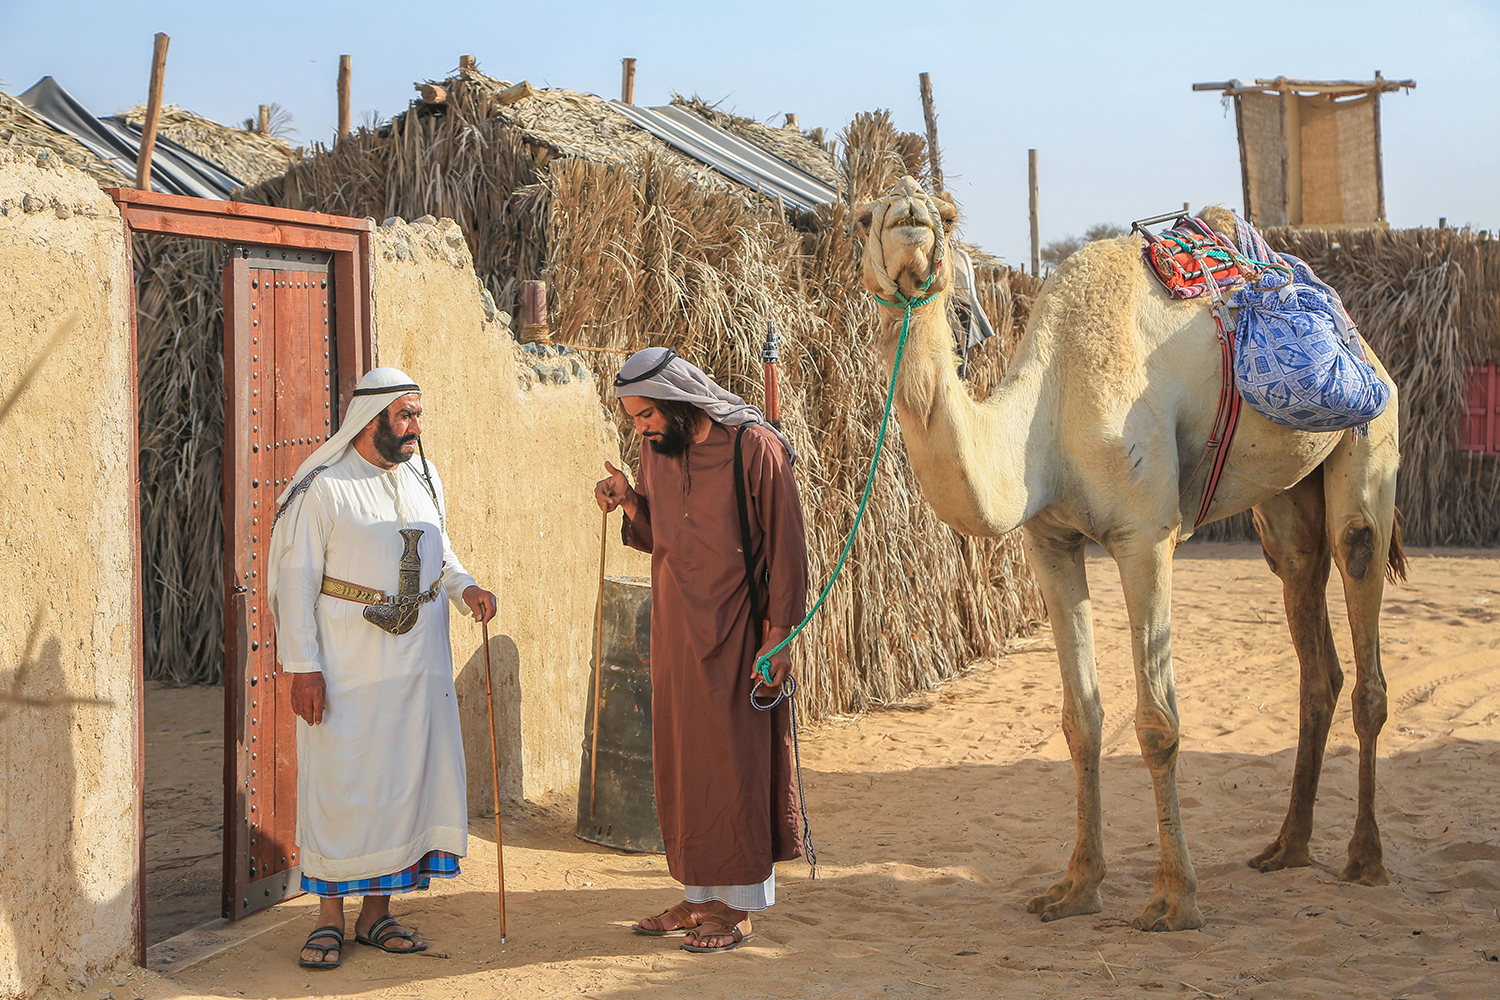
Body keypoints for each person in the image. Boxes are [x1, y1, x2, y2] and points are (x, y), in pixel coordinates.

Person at [267, 367, 496, 969]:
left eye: (418, 414)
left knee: (401, 784)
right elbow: (295, 584)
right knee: (343, 786)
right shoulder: (325, 488)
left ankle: (377, 915)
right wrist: (303, 667)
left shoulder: (422, 475)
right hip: (346, 667)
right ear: (371, 422)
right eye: (406, 416)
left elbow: (440, 552)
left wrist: (465, 588)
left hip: (417, 665)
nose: (416, 427)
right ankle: (327, 920)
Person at [594, 347, 809, 954]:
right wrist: (629, 501)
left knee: (731, 765)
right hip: (676, 633)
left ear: (678, 403)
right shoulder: (657, 450)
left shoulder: (754, 447)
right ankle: (699, 895)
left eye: (645, 416)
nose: (640, 428)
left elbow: (788, 551)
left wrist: (780, 636)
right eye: (635, 420)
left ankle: (735, 911)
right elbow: (661, 532)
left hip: (740, 633)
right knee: (685, 765)